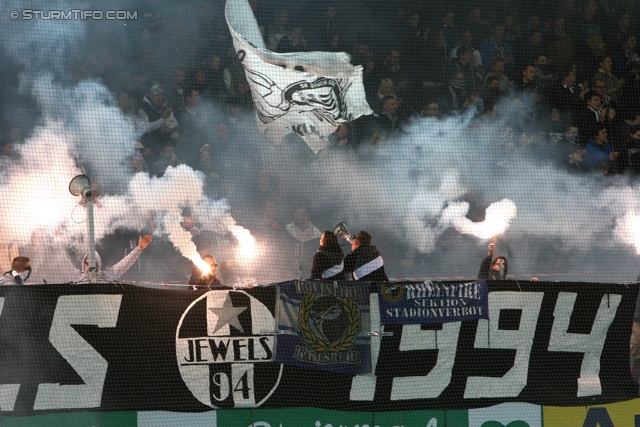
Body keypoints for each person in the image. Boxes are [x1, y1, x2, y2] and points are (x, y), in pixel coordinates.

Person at [76, 235, 153, 283]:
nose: (90, 266)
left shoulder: (107, 276)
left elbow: (124, 264)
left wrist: (139, 249)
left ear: (98, 265)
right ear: (84, 264)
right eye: (87, 263)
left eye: (93, 263)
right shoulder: (77, 278)